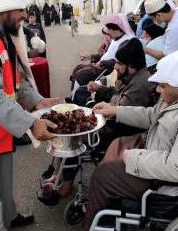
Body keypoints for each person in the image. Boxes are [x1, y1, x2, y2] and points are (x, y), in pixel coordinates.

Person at [84, 50, 178, 230]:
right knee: (117, 144)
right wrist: (115, 110)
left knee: (104, 175)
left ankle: (95, 218)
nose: (157, 89)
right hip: (157, 150)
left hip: (174, 183)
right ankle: (106, 203)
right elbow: (153, 116)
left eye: (162, 86)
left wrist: (134, 158)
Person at [0, 0, 60, 230]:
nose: (25, 15)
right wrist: (30, 122)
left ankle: (9, 218)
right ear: (3, 4)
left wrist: (36, 100)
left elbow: (13, 79)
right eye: (21, 9)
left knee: (2, 186)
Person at [38, 38, 156, 205]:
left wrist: (102, 109)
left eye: (119, 63)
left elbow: (123, 111)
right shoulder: (131, 75)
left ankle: (65, 185)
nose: (115, 67)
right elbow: (117, 92)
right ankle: (58, 174)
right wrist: (101, 89)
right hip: (113, 122)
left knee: (72, 137)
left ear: (132, 65)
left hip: (119, 130)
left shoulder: (142, 84)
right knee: (66, 127)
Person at [71, 13, 134, 97]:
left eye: (108, 29)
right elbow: (106, 54)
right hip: (100, 65)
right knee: (77, 68)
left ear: (116, 29)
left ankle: (76, 98)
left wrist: (102, 63)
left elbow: (119, 61)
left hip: (107, 69)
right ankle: (73, 95)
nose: (107, 32)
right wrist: (89, 56)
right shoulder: (115, 39)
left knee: (81, 74)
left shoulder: (126, 41)